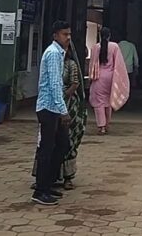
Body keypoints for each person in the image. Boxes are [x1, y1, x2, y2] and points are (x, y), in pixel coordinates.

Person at [32, 47, 87, 191]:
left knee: (67, 142)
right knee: (47, 144)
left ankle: (66, 177)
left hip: (68, 106)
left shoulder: (70, 64)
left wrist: (64, 98)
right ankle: (43, 181)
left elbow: (75, 83)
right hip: (52, 106)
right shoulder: (52, 58)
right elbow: (52, 85)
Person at [32, 21, 72, 206]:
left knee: (62, 145)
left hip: (53, 107)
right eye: (64, 34)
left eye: (69, 34)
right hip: (49, 108)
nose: (68, 37)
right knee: (47, 149)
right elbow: (55, 84)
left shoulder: (58, 52)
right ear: (55, 35)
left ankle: (48, 184)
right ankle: (40, 190)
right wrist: (63, 111)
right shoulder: (54, 53)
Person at [89, 27, 130, 135]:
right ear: (109, 35)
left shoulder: (95, 47)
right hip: (111, 77)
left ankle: (101, 126)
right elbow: (119, 63)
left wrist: (91, 78)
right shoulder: (115, 46)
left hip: (98, 78)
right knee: (108, 101)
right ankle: (107, 124)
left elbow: (92, 64)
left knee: (99, 103)